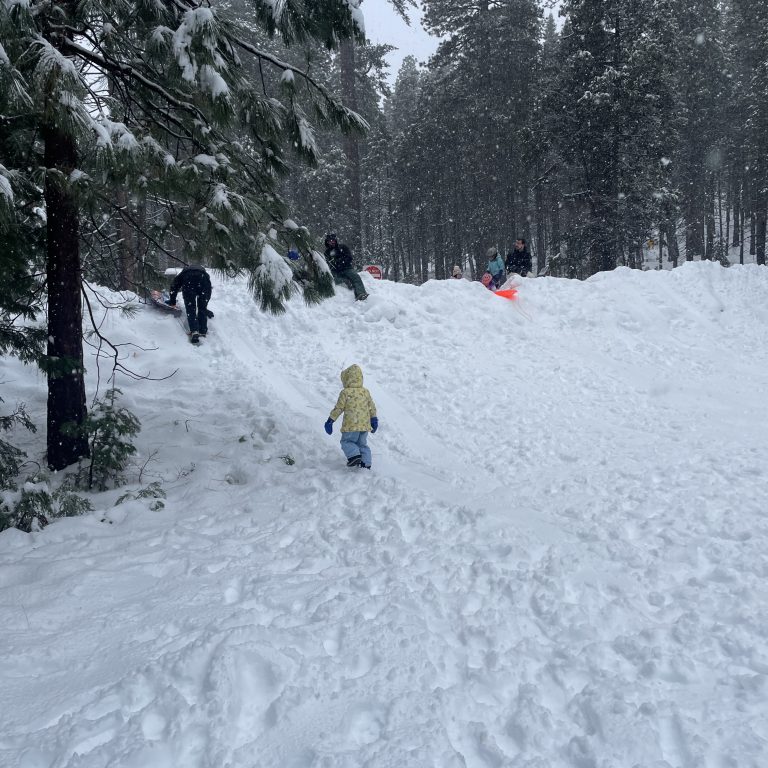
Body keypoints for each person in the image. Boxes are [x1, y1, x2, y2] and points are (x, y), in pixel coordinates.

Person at [324, 364, 378, 469]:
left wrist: (330, 420)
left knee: (347, 441)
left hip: (351, 425)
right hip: (364, 425)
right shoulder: (365, 392)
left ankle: (354, 456)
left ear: (347, 380)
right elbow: (372, 407)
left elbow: (339, 408)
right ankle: (366, 463)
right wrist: (374, 419)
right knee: (362, 444)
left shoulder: (345, 392)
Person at [166, 264, 212, 343]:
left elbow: (174, 286)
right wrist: (205, 305)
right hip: (203, 280)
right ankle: (203, 330)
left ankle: (194, 332)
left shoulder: (184, 273)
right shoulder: (204, 273)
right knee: (202, 308)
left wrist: (172, 301)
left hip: (189, 280)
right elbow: (208, 289)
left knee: (191, 307)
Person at [324, 233, 368, 301]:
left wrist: (339, 262)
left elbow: (349, 257)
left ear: (335, 240)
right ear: (327, 242)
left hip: (347, 268)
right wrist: (332, 265)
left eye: (333, 240)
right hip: (335, 271)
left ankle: (361, 294)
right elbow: (327, 265)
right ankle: (345, 281)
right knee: (331, 279)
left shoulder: (343, 247)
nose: (331, 242)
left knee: (356, 277)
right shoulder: (326, 253)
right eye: (329, 241)